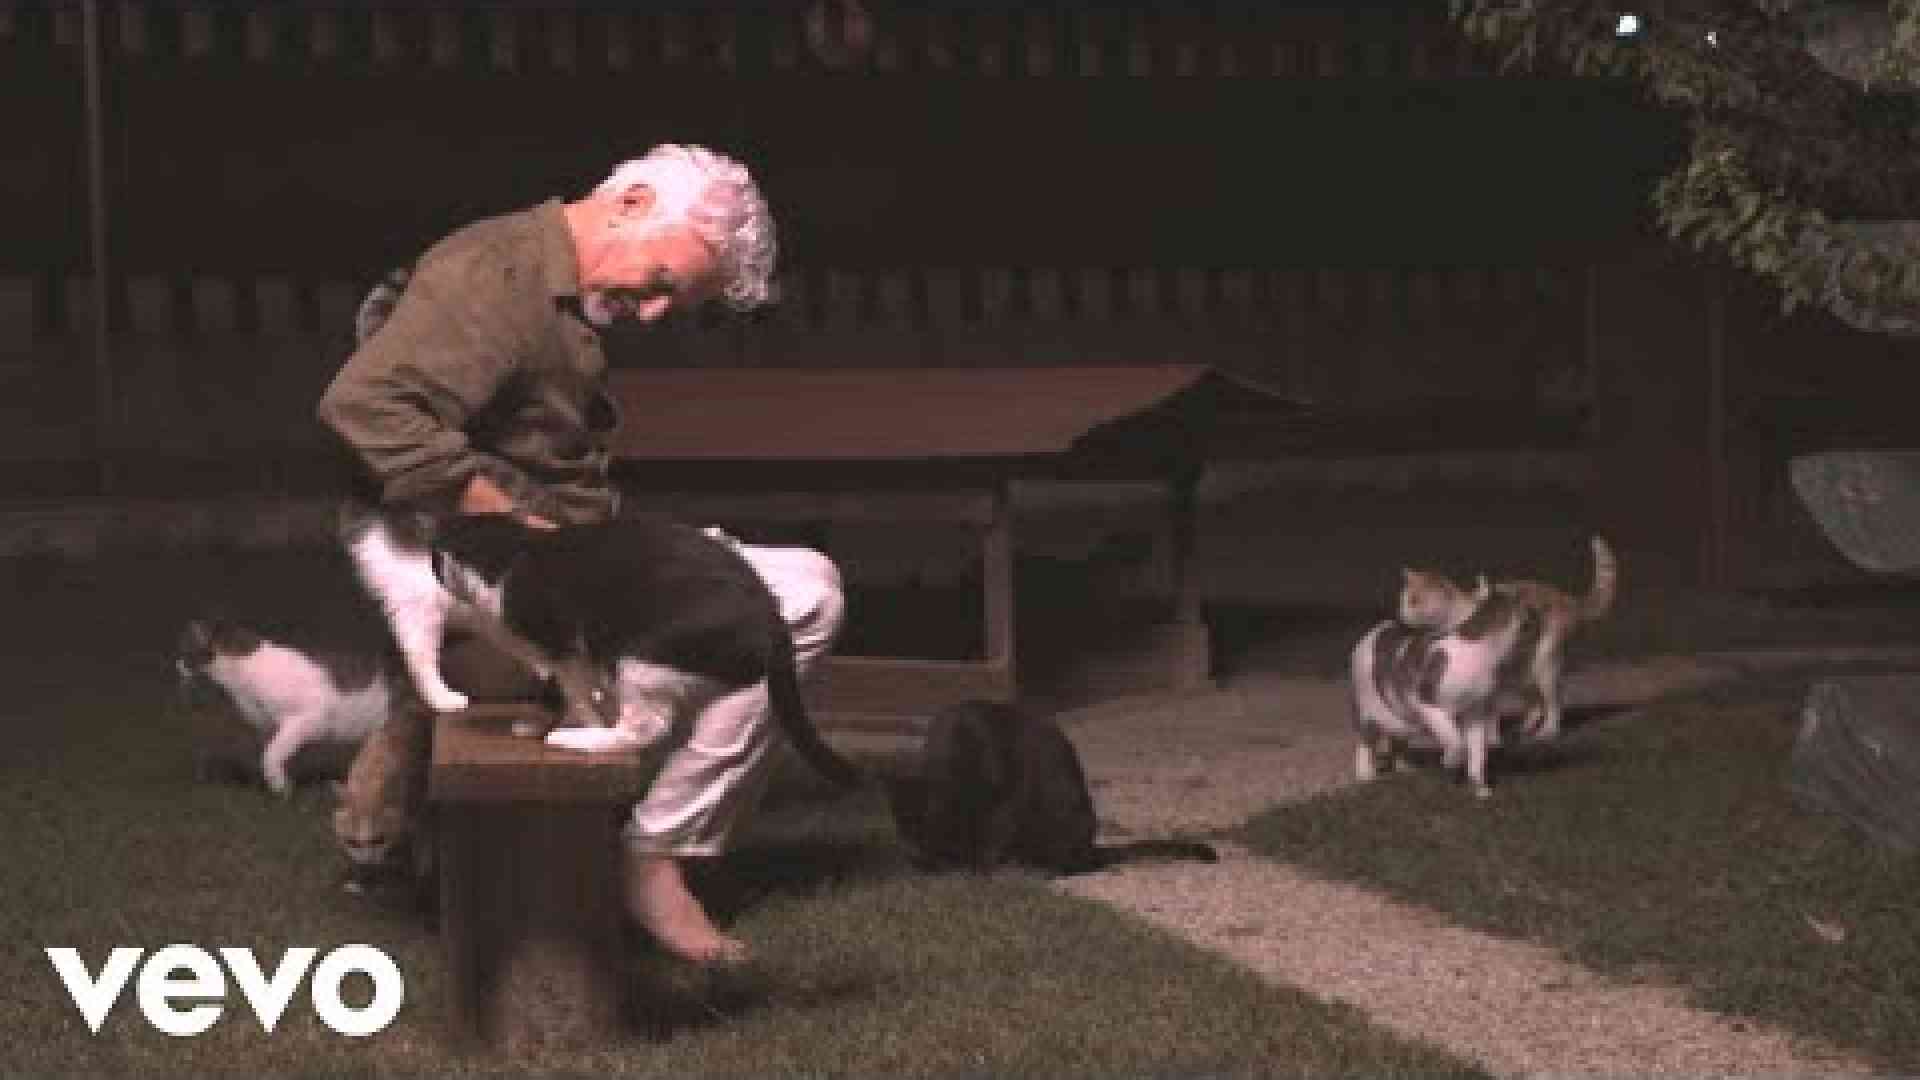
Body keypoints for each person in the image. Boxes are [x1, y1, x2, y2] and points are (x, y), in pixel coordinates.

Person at [316, 143, 844, 968]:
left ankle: (647, 820)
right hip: (513, 586)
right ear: (631, 203)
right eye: (663, 282)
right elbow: (366, 405)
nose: (658, 313)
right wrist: (507, 521)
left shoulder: (558, 286)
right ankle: (654, 853)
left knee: (807, 584)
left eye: (677, 301)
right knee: (799, 604)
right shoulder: (494, 275)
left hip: (578, 562)